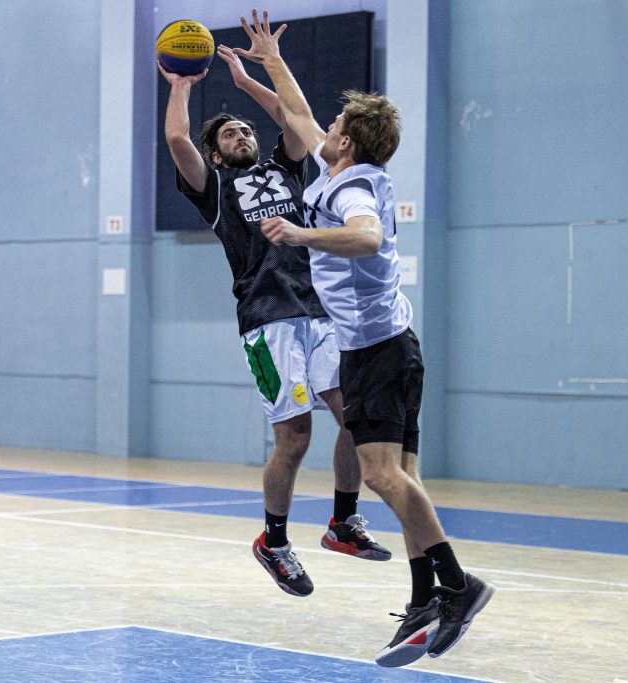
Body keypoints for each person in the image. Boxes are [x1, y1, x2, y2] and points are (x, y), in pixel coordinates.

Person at [233, 9, 495, 668]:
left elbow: (368, 236)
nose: (324, 128)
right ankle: (423, 598)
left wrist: (300, 234)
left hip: (377, 351)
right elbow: (297, 114)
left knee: (380, 476)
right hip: (390, 346)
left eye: (336, 126)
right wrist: (269, 60)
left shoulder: (352, 188)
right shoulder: (343, 168)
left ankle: (457, 586)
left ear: (346, 143)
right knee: (402, 478)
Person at [158, 44, 391, 598]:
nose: (242, 135)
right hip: (268, 321)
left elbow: (293, 117)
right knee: (295, 437)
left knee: (357, 419)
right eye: (230, 134)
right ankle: (275, 542)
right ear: (216, 155)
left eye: (245, 130)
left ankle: (342, 522)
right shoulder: (215, 189)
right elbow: (177, 140)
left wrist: (250, 81)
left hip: (320, 312)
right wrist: (181, 85)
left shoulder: (286, 170)